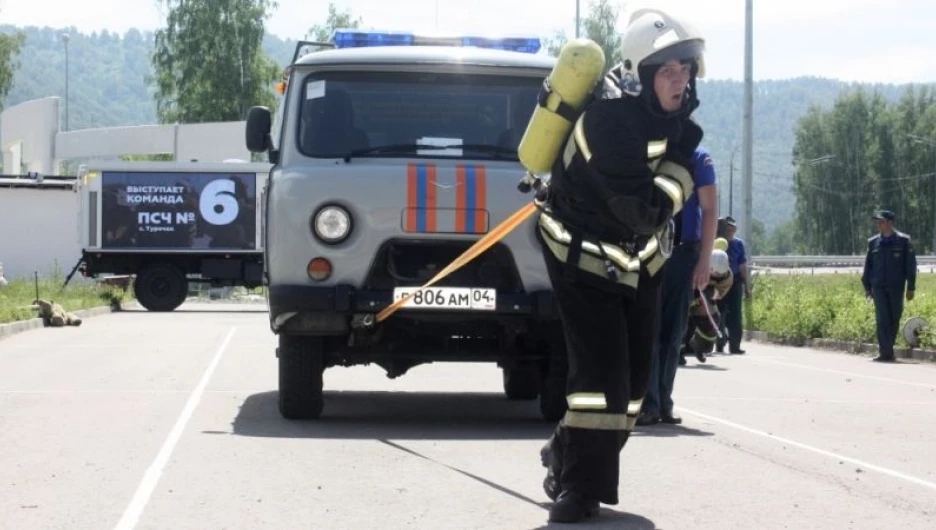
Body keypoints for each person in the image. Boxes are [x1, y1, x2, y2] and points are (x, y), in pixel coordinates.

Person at [534, 8, 706, 523]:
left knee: (632, 391)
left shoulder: (670, 120)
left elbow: (650, 215)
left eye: (686, 70)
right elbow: (642, 212)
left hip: (640, 263)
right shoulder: (608, 123)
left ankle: (562, 451)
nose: (681, 81)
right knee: (599, 381)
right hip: (579, 259)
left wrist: (682, 162)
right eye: (668, 72)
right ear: (640, 74)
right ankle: (579, 490)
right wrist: (683, 170)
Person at [639, 145, 717, 426]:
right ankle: (648, 403)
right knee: (649, 330)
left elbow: (709, 209)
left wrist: (704, 260)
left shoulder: (698, 158)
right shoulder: (651, 149)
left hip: (684, 254)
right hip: (649, 250)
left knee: (673, 335)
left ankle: (663, 402)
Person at [861, 210, 917, 362]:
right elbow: (868, 266)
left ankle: (888, 350)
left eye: (882, 221)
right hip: (878, 287)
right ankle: (885, 352)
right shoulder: (873, 243)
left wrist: (911, 287)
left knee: (894, 317)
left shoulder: (904, 241)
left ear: (890, 223)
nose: (878, 224)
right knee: (882, 318)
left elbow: (910, 265)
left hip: (896, 287)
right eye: (877, 221)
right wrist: (867, 287)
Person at [682, 248, 733, 363]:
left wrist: (710, 292)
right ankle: (678, 353)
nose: (718, 276)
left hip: (705, 299)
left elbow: (720, 294)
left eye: (720, 274)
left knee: (713, 322)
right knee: (680, 321)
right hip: (687, 295)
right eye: (715, 274)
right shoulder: (694, 264)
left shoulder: (728, 277)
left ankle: (699, 346)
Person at [716, 216, 750, 354]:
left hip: (735, 282)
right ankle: (720, 342)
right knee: (720, 313)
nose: (730, 231)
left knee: (736, 314)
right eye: (728, 228)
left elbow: (742, 266)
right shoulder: (718, 243)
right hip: (720, 282)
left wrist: (747, 286)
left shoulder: (739, 244)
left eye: (732, 228)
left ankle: (735, 345)